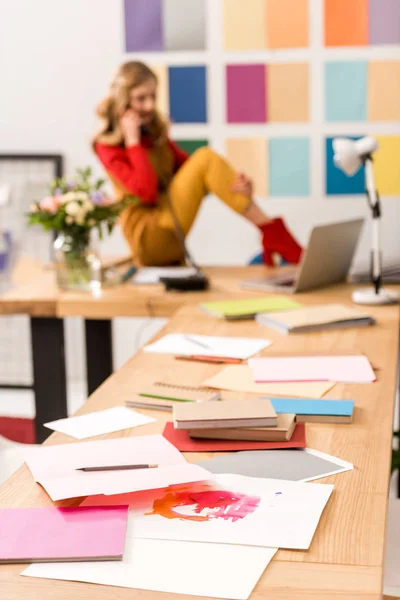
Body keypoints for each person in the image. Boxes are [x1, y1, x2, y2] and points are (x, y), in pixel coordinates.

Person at [93, 61, 302, 267]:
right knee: (204, 157)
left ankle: (271, 232)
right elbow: (146, 192)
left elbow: (202, 175)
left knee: (205, 160)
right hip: (147, 236)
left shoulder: (154, 133)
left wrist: (241, 187)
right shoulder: (107, 146)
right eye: (140, 98)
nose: (149, 105)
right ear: (122, 103)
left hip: (173, 234)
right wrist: (133, 143)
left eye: (153, 97)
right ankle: (274, 233)